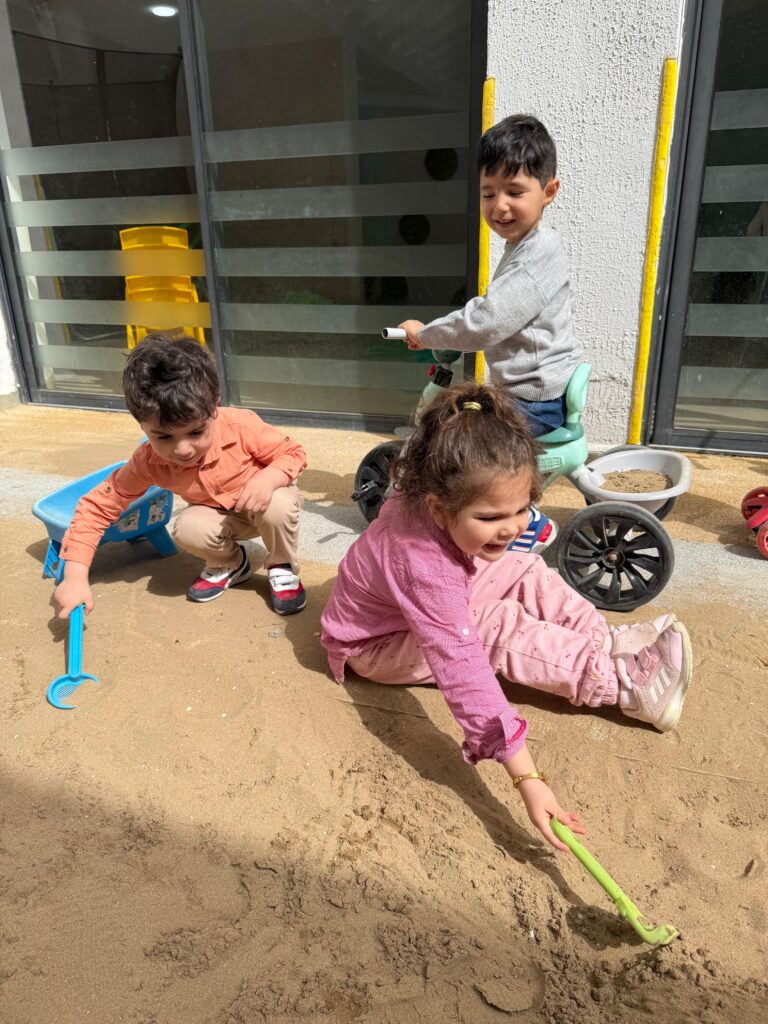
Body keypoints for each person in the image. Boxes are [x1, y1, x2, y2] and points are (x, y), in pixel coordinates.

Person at [320, 384, 692, 852]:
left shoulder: (430, 481)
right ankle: (622, 685)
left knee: (523, 564)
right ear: (438, 508)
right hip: (374, 645)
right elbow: (461, 667)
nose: (513, 526)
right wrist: (528, 779)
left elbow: (492, 535)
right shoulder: (421, 562)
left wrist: (495, 526)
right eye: (491, 517)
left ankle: (604, 643)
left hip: (410, 603)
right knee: (494, 625)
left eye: (521, 509)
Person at [395, 114, 582, 554]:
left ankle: (526, 521)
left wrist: (429, 334)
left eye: (514, 192)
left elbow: (487, 321)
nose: (500, 206)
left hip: (532, 399)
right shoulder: (525, 247)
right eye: (488, 193)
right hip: (530, 390)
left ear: (549, 191)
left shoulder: (538, 255)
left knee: (462, 441)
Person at [54, 333, 307, 618]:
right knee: (187, 528)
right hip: (218, 518)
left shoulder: (241, 425)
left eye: (196, 432)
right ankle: (230, 564)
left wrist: (269, 478)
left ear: (214, 406)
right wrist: (74, 577)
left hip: (264, 507)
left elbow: (294, 453)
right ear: (141, 423)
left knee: (278, 504)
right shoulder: (147, 462)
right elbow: (96, 507)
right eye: (163, 437)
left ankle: (282, 566)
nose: (183, 449)